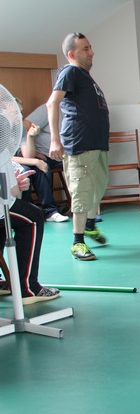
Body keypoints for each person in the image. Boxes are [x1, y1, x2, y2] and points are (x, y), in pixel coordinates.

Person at [46, 32, 110, 261]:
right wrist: (55, 140)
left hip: (96, 144)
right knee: (82, 193)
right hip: (79, 144)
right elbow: (52, 103)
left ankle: (90, 226)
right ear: (71, 54)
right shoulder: (70, 71)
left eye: (90, 47)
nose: (91, 52)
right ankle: (77, 242)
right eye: (85, 49)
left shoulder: (85, 77)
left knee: (97, 188)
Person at [0, 111, 60, 303]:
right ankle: (28, 288)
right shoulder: (3, 153)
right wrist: (17, 185)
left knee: (4, 221)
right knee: (33, 217)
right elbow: (12, 195)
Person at [17, 100, 69, 222]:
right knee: (30, 171)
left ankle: (50, 211)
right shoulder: (8, 130)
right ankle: (33, 212)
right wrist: (35, 161)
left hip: (60, 156)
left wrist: (30, 137)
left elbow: (27, 154)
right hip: (16, 162)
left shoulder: (19, 130)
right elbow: (6, 158)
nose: (20, 116)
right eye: (16, 112)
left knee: (35, 168)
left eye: (20, 112)